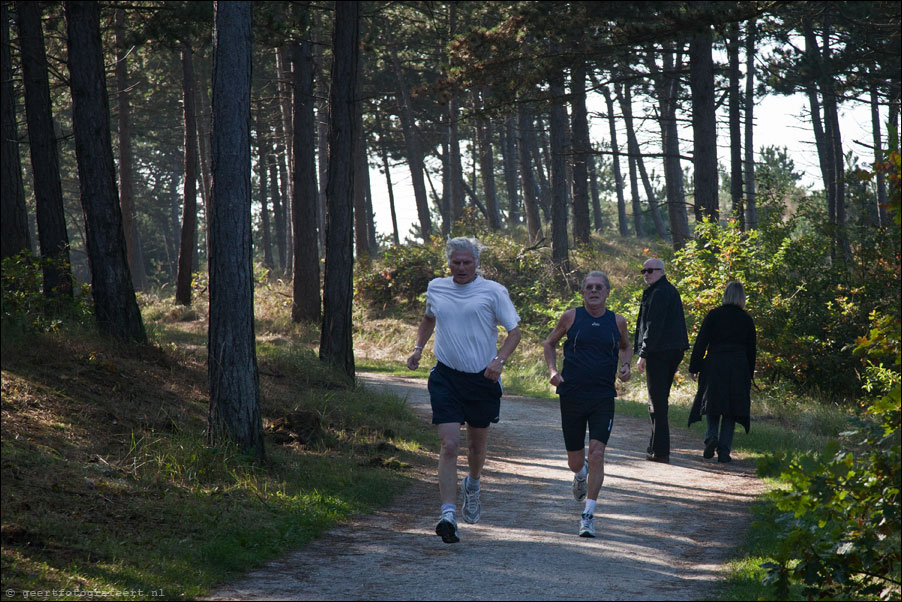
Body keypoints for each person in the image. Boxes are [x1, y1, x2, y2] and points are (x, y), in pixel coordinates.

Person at [407, 237, 521, 544]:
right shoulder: (436, 287)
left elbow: (514, 331)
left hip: (482, 379)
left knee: (476, 449)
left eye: (466, 263)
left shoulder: (493, 291)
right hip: (445, 376)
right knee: (448, 445)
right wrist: (418, 348)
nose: (460, 268)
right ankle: (448, 515)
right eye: (455, 262)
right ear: (449, 262)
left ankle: (473, 483)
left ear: (476, 263)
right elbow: (429, 317)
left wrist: (499, 361)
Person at [543, 271, 632, 538]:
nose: (594, 291)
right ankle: (579, 473)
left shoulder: (617, 321)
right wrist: (551, 370)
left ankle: (588, 515)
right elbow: (549, 343)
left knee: (597, 454)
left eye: (599, 287)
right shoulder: (571, 317)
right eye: (589, 287)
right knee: (575, 460)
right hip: (571, 394)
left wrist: (625, 365)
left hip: (603, 396)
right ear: (582, 292)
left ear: (607, 292)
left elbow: (626, 347)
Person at [688, 281, 757, 463]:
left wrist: (694, 366)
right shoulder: (746, 319)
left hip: (715, 362)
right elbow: (752, 349)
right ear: (742, 298)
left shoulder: (714, 315)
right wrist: (750, 372)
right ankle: (724, 451)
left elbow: (701, 341)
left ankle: (711, 436)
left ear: (725, 295)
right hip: (738, 365)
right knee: (731, 409)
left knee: (713, 403)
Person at [634, 258, 689, 463]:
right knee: (659, 399)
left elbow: (652, 325)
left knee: (656, 401)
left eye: (650, 270)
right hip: (671, 350)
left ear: (661, 271)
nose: (646, 274)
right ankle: (656, 445)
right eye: (643, 271)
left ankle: (660, 450)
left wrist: (643, 354)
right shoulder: (667, 290)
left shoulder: (659, 293)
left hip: (660, 352)